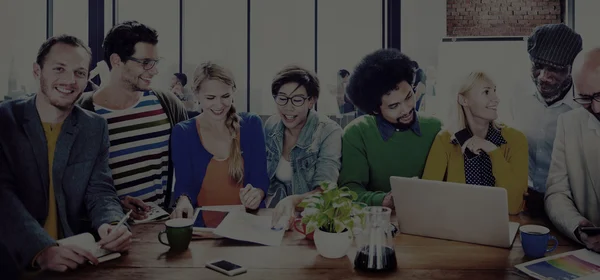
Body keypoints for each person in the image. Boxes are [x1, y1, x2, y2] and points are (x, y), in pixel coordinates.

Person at [0, 35, 131, 276]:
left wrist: (111, 224)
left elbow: (100, 190)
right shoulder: (5, 120)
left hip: (74, 260)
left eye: (80, 73)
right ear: (37, 71)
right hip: (12, 262)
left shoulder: (94, 127)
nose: (70, 80)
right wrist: (41, 250)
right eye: (59, 69)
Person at [77, 21, 188, 219]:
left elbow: (188, 165)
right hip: (110, 234)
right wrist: (114, 206)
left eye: (156, 62)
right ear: (117, 60)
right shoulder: (84, 113)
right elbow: (74, 187)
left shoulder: (168, 104)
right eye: (145, 63)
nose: (154, 71)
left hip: (161, 231)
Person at [338, 49, 442, 207]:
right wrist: (384, 200)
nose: (406, 109)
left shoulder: (436, 128)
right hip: (376, 223)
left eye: (408, 97)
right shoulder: (357, 133)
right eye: (394, 106)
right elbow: (349, 191)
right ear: (375, 110)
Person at [169, 62, 269, 220]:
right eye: (210, 98)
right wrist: (183, 201)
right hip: (202, 231)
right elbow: (184, 184)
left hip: (249, 226)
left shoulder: (251, 124)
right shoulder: (183, 133)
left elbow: (261, 179)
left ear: (233, 92)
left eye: (225, 96)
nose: (219, 105)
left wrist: (257, 193)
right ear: (197, 95)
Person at [422, 71, 528, 214]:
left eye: (495, 91)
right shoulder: (445, 140)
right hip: (456, 225)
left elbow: (514, 207)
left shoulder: (516, 139)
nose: (496, 99)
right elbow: (427, 197)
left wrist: (492, 150)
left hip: (501, 227)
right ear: (463, 100)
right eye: (486, 92)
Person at [509, 23, 582, 218]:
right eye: (538, 66)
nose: (543, 77)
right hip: (525, 199)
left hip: (571, 206)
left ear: (572, 68)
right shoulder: (518, 93)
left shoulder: (587, 106)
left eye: (554, 69)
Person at [264, 66, 342, 228]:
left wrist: (294, 200)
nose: (288, 107)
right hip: (274, 220)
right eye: (282, 98)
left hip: (311, 223)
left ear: (311, 101)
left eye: (297, 100)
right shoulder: (271, 126)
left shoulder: (328, 131)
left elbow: (326, 192)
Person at [545, 47, 600, 251]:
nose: (596, 109)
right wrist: (578, 228)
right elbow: (556, 193)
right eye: (585, 98)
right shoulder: (568, 124)